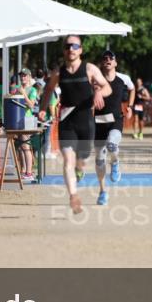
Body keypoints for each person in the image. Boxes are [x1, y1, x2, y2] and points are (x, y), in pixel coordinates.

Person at [38, 35, 112, 214]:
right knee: (68, 161)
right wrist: (42, 108)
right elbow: (48, 89)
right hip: (67, 121)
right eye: (67, 46)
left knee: (82, 160)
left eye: (75, 46)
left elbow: (107, 87)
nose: (71, 49)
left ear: (80, 50)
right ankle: (73, 196)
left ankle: (80, 168)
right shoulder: (59, 72)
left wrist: (99, 93)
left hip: (85, 121)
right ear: (64, 50)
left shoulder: (90, 69)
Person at [93, 50, 131, 205]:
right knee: (99, 160)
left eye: (111, 58)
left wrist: (131, 106)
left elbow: (132, 88)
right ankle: (103, 192)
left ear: (115, 63)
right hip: (99, 121)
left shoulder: (124, 78)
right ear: (102, 63)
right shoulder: (95, 78)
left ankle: (115, 163)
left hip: (115, 120)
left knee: (112, 144)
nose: (107, 60)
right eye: (104, 59)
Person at [9, 68, 40, 183]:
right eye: (21, 76)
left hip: (27, 119)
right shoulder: (17, 88)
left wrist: (23, 94)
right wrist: (16, 93)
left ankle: (29, 172)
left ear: (29, 76)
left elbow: (32, 105)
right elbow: (12, 100)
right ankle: (23, 171)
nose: (23, 78)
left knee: (26, 146)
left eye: (25, 76)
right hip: (17, 119)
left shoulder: (32, 90)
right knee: (21, 146)